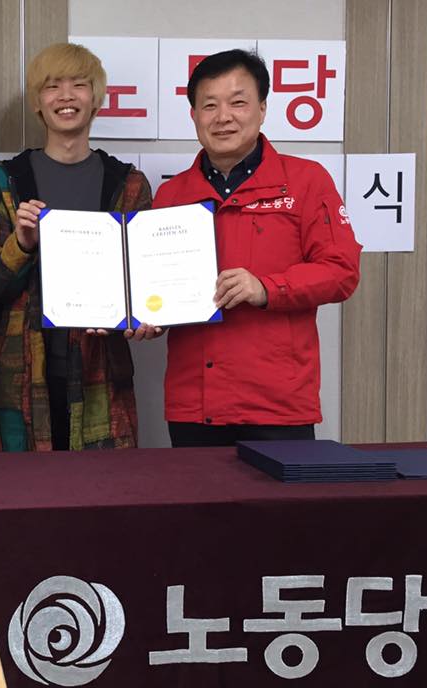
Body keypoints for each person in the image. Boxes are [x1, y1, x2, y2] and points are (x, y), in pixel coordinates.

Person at [152, 49, 362, 447]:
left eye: (238, 102)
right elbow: (158, 286)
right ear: (193, 115)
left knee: (281, 493)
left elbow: (341, 271)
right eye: (209, 105)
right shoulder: (171, 194)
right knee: (194, 492)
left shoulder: (306, 181)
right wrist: (146, 315)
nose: (223, 117)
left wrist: (266, 287)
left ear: (262, 109)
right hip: (194, 404)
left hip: (277, 404)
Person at [0, 43, 157, 452]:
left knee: (102, 487)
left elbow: (143, 283)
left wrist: (147, 314)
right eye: (52, 86)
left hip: (101, 374)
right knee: (19, 488)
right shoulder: (6, 180)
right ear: (38, 102)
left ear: (96, 98)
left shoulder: (128, 184)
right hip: (21, 374)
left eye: (79, 85)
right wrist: (22, 244)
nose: (65, 96)